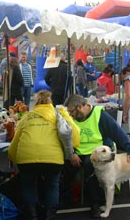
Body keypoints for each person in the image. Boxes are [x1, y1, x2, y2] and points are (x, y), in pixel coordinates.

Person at [64, 94, 130, 218]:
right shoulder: (73, 119)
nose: (70, 114)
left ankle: (95, 202)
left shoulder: (100, 115)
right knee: (63, 165)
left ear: (79, 107)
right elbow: (67, 138)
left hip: (99, 152)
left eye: (71, 111)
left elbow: (117, 132)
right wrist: (71, 154)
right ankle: (68, 196)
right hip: (78, 152)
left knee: (89, 166)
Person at [8, 90, 78, 220]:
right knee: (52, 184)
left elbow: (14, 143)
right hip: (53, 159)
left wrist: (13, 158)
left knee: (29, 184)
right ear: (50, 102)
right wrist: (65, 114)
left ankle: (32, 214)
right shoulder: (58, 115)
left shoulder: (27, 117)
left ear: (36, 103)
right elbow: (74, 135)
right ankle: (49, 215)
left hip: (26, 158)